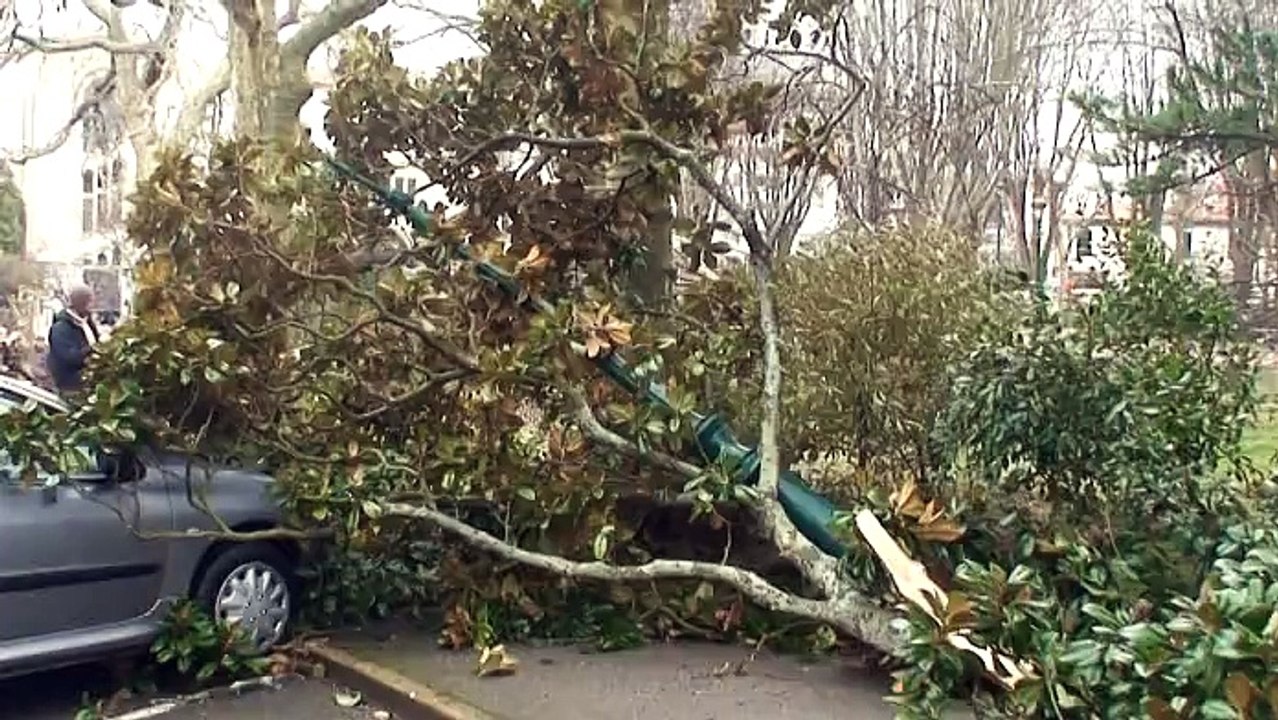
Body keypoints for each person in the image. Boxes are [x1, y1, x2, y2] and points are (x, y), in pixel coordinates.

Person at [47, 285, 99, 392]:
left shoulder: (87, 323)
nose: (92, 306)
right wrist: (92, 349)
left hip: (90, 383)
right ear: (80, 304)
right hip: (71, 387)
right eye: (90, 302)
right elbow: (69, 357)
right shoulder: (60, 329)